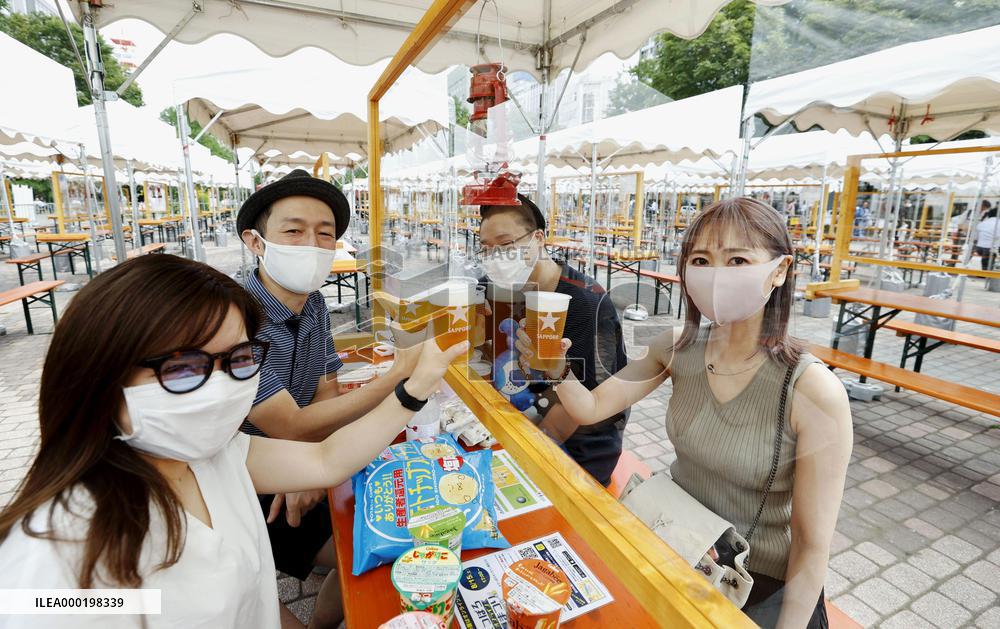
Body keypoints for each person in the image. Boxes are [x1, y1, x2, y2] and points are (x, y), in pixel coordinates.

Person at [0, 255, 465, 628]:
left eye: (238, 359)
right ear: (99, 376)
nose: (221, 386)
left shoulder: (210, 456)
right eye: (183, 367)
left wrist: (414, 387)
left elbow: (326, 459)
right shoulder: (58, 552)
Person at [541, 198, 853, 628]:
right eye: (701, 259)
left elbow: (811, 546)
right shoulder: (676, 347)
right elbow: (592, 407)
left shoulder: (814, 391)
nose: (716, 275)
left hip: (753, 582)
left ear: (779, 270)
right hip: (676, 548)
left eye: (738, 259)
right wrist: (557, 369)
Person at [236, 169, 421, 627]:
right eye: (293, 231)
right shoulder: (236, 314)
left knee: (382, 520)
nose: (312, 246)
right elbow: (289, 425)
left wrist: (317, 468)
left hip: (292, 463)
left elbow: (326, 390)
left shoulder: (313, 302)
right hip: (247, 479)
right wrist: (399, 377)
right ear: (256, 242)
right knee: (366, 547)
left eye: (325, 235)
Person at [477, 194, 629, 487]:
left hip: (577, 451)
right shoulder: (493, 288)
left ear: (538, 238)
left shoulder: (586, 302)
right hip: (517, 421)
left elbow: (584, 405)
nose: (495, 257)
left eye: (506, 244)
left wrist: (515, 457)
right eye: (486, 248)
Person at [974, 206, 998, 271]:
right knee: (992, 250)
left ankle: (985, 270)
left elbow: (976, 236)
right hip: (991, 249)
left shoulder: (983, 223)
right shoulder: (998, 223)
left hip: (979, 248)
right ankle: (987, 271)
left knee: (988, 253)